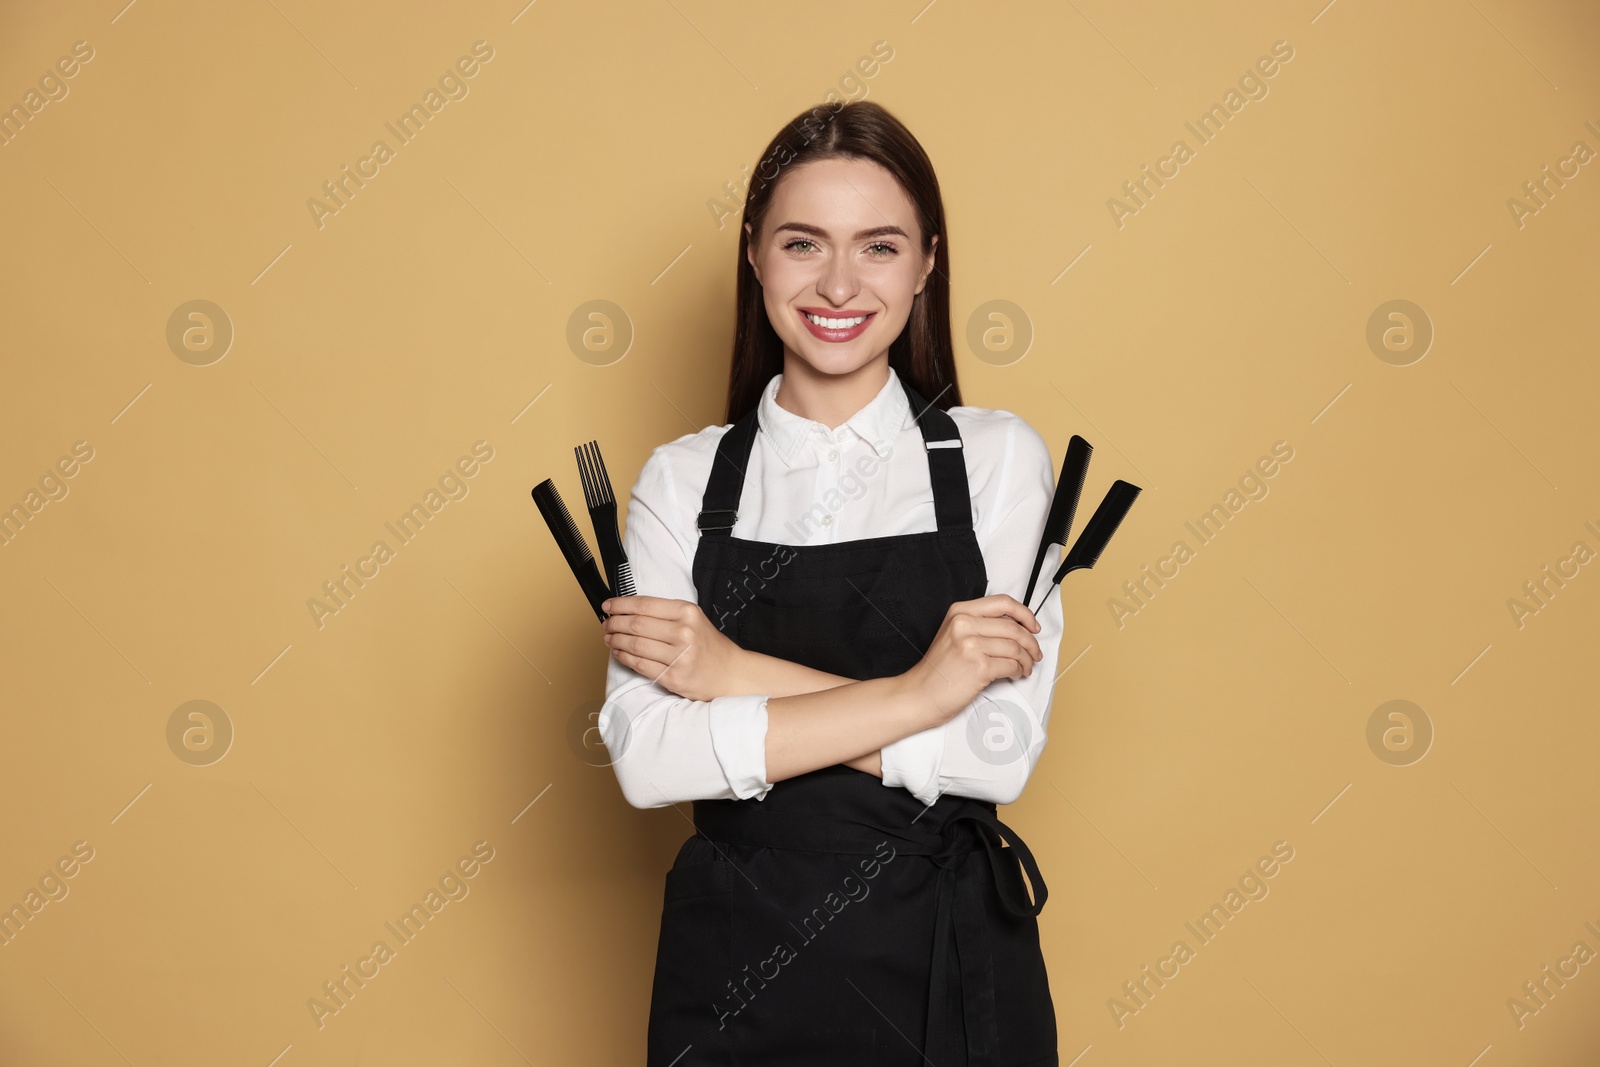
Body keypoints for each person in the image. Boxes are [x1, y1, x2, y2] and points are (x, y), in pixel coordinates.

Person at [599, 99, 1065, 1066]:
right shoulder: (683, 479)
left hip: (949, 967)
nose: (840, 283)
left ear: (928, 262)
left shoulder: (995, 461)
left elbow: (994, 753)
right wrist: (916, 695)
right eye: (804, 244)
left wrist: (728, 673)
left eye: (880, 247)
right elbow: (648, 759)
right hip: (733, 974)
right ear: (755, 256)